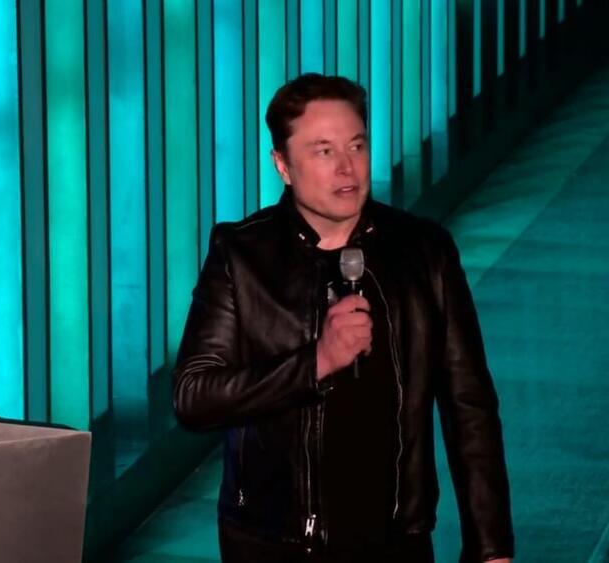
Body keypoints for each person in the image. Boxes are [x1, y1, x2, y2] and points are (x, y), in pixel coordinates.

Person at [173, 73, 514, 563]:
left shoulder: (423, 252)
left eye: (356, 145)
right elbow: (194, 396)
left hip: (395, 541)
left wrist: (490, 546)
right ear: (283, 165)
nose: (346, 167)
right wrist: (316, 362)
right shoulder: (241, 255)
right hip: (272, 542)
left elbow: (469, 406)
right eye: (323, 151)